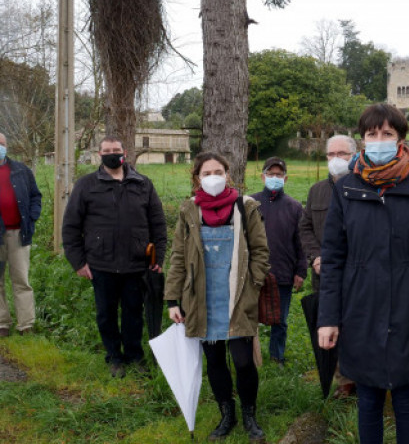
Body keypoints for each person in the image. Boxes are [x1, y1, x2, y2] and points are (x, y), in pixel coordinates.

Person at [317, 103, 409, 444]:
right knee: (368, 398)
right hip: (360, 308)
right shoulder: (346, 187)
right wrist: (328, 318)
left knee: (407, 398)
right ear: (362, 140)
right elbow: (332, 258)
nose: (379, 139)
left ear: (401, 138)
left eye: (387, 133)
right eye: (372, 134)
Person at [165, 152, 270, 442]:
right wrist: (173, 300)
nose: (213, 177)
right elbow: (177, 256)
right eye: (206, 172)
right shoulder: (189, 210)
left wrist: (254, 284)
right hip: (202, 300)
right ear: (197, 178)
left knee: (243, 361)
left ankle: (249, 414)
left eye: (218, 171)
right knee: (215, 361)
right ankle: (228, 414)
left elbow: (260, 251)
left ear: (227, 174)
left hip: (238, 298)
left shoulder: (245, 207)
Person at [62, 136, 167, 378]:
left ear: (125, 152)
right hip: (101, 264)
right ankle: (114, 358)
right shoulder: (87, 185)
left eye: (116, 150)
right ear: (99, 155)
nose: (112, 154)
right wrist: (78, 262)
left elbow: (158, 225)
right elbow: (70, 226)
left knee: (133, 313)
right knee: (105, 314)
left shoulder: (143, 184)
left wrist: (157, 259)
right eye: (107, 150)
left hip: (136, 264)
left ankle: (134, 356)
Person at [299, 134, 358, 399]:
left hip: (357, 276)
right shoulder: (316, 191)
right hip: (325, 276)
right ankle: (343, 381)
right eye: (331, 155)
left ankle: (362, 376)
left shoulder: (363, 187)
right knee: (330, 326)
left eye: (342, 154)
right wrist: (315, 257)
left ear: (355, 155)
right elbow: (305, 227)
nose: (336, 160)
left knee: (357, 327)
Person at [251, 157, 307, 365]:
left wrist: (300, 271)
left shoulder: (294, 207)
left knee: (280, 321)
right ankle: (251, 357)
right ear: (262, 176)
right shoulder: (251, 203)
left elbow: (300, 242)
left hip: (283, 271)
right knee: (250, 317)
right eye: (271, 174)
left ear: (285, 178)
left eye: (279, 175)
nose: (274, 178)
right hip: (253, 272)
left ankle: (277, 357)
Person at [0, 132, 42, 338]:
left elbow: (36, 195)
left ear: (7, 145)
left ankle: (26, 325)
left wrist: (32, 216)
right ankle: (2, 324)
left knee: (21, 280)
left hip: (19, 233)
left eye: (1, 143)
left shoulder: (21, 170)